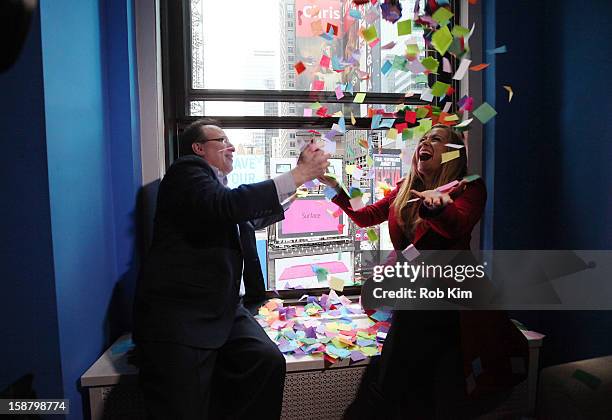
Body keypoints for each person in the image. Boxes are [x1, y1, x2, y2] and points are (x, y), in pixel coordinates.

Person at [319, 124, 528, 419]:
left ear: (452, 154)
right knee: (397, 385)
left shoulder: (468, 186)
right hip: (414, 299)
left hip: (453, 304)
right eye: (424, 139)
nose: (425, 143)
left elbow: (457, 223)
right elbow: (366, 216)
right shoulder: (406, 187)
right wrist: (335, 188)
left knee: (429, 389)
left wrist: (438, 208)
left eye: (436, 139)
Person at [133, 119, 330, 420]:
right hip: (185, 316)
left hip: (225, 308)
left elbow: (243, 219)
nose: (232, 146)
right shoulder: (185, 171)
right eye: (222, 140)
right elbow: (227, 206)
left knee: (266, 361)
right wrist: (298, 172)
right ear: (198, 148)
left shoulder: (213, 189)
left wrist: (299, 187)